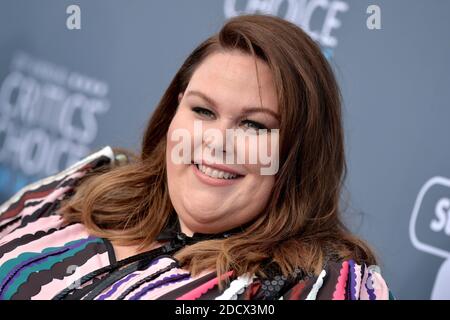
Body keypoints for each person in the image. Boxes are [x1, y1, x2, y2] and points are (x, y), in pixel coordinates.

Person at [0, 14, 393, 300]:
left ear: (299, 154)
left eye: (254, 126)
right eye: (203, 111)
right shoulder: (88, 186)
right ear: (174, 111)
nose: (216, 142)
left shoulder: (319, 285)